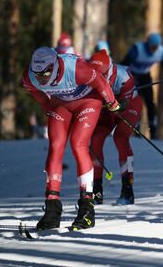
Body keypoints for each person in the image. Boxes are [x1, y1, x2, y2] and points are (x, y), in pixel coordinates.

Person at [21, 47, 121, 230]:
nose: (41, 77)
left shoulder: (76, 69)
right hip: (61, 104)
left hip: (88, 101)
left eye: (46, 73)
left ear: (55, 67)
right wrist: (47, 106)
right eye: (38, 73)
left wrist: (112, 103)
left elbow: (100, 82)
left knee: (78, 143)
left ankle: (87, 208)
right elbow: (36, 93)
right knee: (56, 146)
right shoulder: (29, 77)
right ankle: (52, 209)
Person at [89, 49, 143, 205]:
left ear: (109, 71)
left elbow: (123, 104)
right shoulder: (90, 75)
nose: (96, 78)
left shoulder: (124, 75)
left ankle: (128, 189)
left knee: (120, 138)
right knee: (96, 141)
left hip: (128, 106)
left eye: (101, 75)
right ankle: (96, 191)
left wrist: (110, 104)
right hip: (107, 108)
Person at [121, 33, 163, 139]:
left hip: (145, 76)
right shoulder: (137, 50)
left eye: (156, 47)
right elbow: (124, 64)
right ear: (148, 44)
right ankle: (136, 129)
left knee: (150, 103)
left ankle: (153, 131)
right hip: (132, 75)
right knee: (135, 103)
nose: (154, 49)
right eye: (152, 47)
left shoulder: (161, 51)